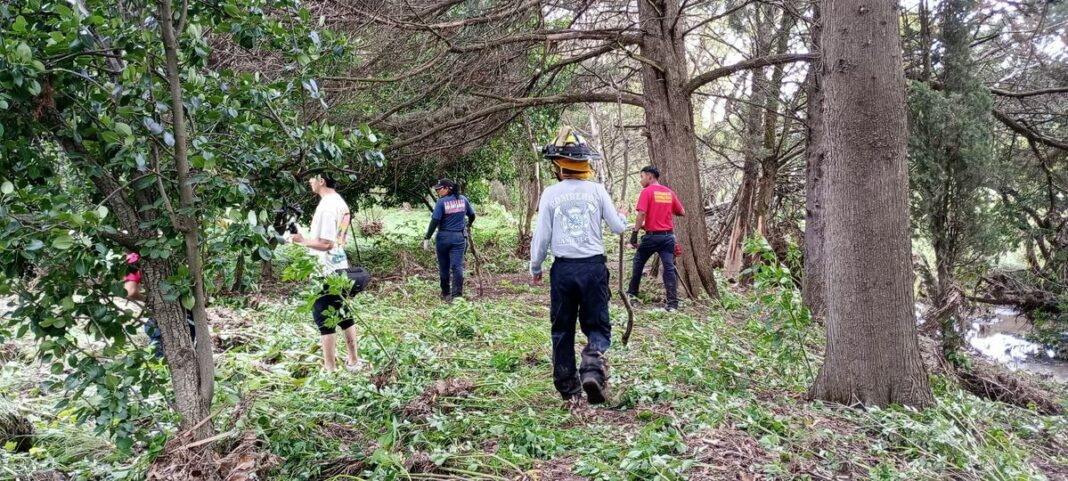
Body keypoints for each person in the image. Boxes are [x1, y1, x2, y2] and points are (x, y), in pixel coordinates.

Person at [530, 126, 628, 404]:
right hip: (593, 268)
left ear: (559, 165)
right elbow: (618, 228)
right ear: (585, 163)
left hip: (563, 270)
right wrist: (622, 214)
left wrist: (535, 267)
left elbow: (542, 236)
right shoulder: (597, 191)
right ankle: (592, 369)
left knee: (562, 328)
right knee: (597, 324)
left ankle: (568, 388)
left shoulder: (550, 194)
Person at [290, 174, 361, 373]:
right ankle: (353, 361)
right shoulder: (339, 201)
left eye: (312, 178)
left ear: (322, 180)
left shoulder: (327, 206)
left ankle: (330, 370)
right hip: (340, 264)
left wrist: (301, 241)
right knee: (344, 313)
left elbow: (326, 243)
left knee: (323, 318)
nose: (309, 182)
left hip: (326, 270)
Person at [626, 166, 686, 311]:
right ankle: (672, 304)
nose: (641, 180)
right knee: (669, 269)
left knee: (638, 263)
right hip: (668, 237)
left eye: (642, 177)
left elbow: (641, 214)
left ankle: (632, 296)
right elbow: (681, 212)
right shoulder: (669, 192)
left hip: (652, 238)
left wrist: (634, 234)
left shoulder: (647, 192)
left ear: (650, 177)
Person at [122, 252, 195, 358]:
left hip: (160, 315)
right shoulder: (171, 252)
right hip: (183, 313)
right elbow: (130, 292)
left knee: (161, 352)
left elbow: (129, 292)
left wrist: (149, 299)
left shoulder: (133, 258)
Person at [422, 179, 476, 302]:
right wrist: (468, 225)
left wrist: (427, 237)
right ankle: (457, 296)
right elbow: (472, 215)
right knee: (457, 267)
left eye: (439, 189)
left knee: (444, 266)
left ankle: (446, 294)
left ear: (447, 188)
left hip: (443, 238)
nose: (437, 192)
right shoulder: (463, 199)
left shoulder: (441, 203)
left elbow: (435, 220)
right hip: (459, 238)